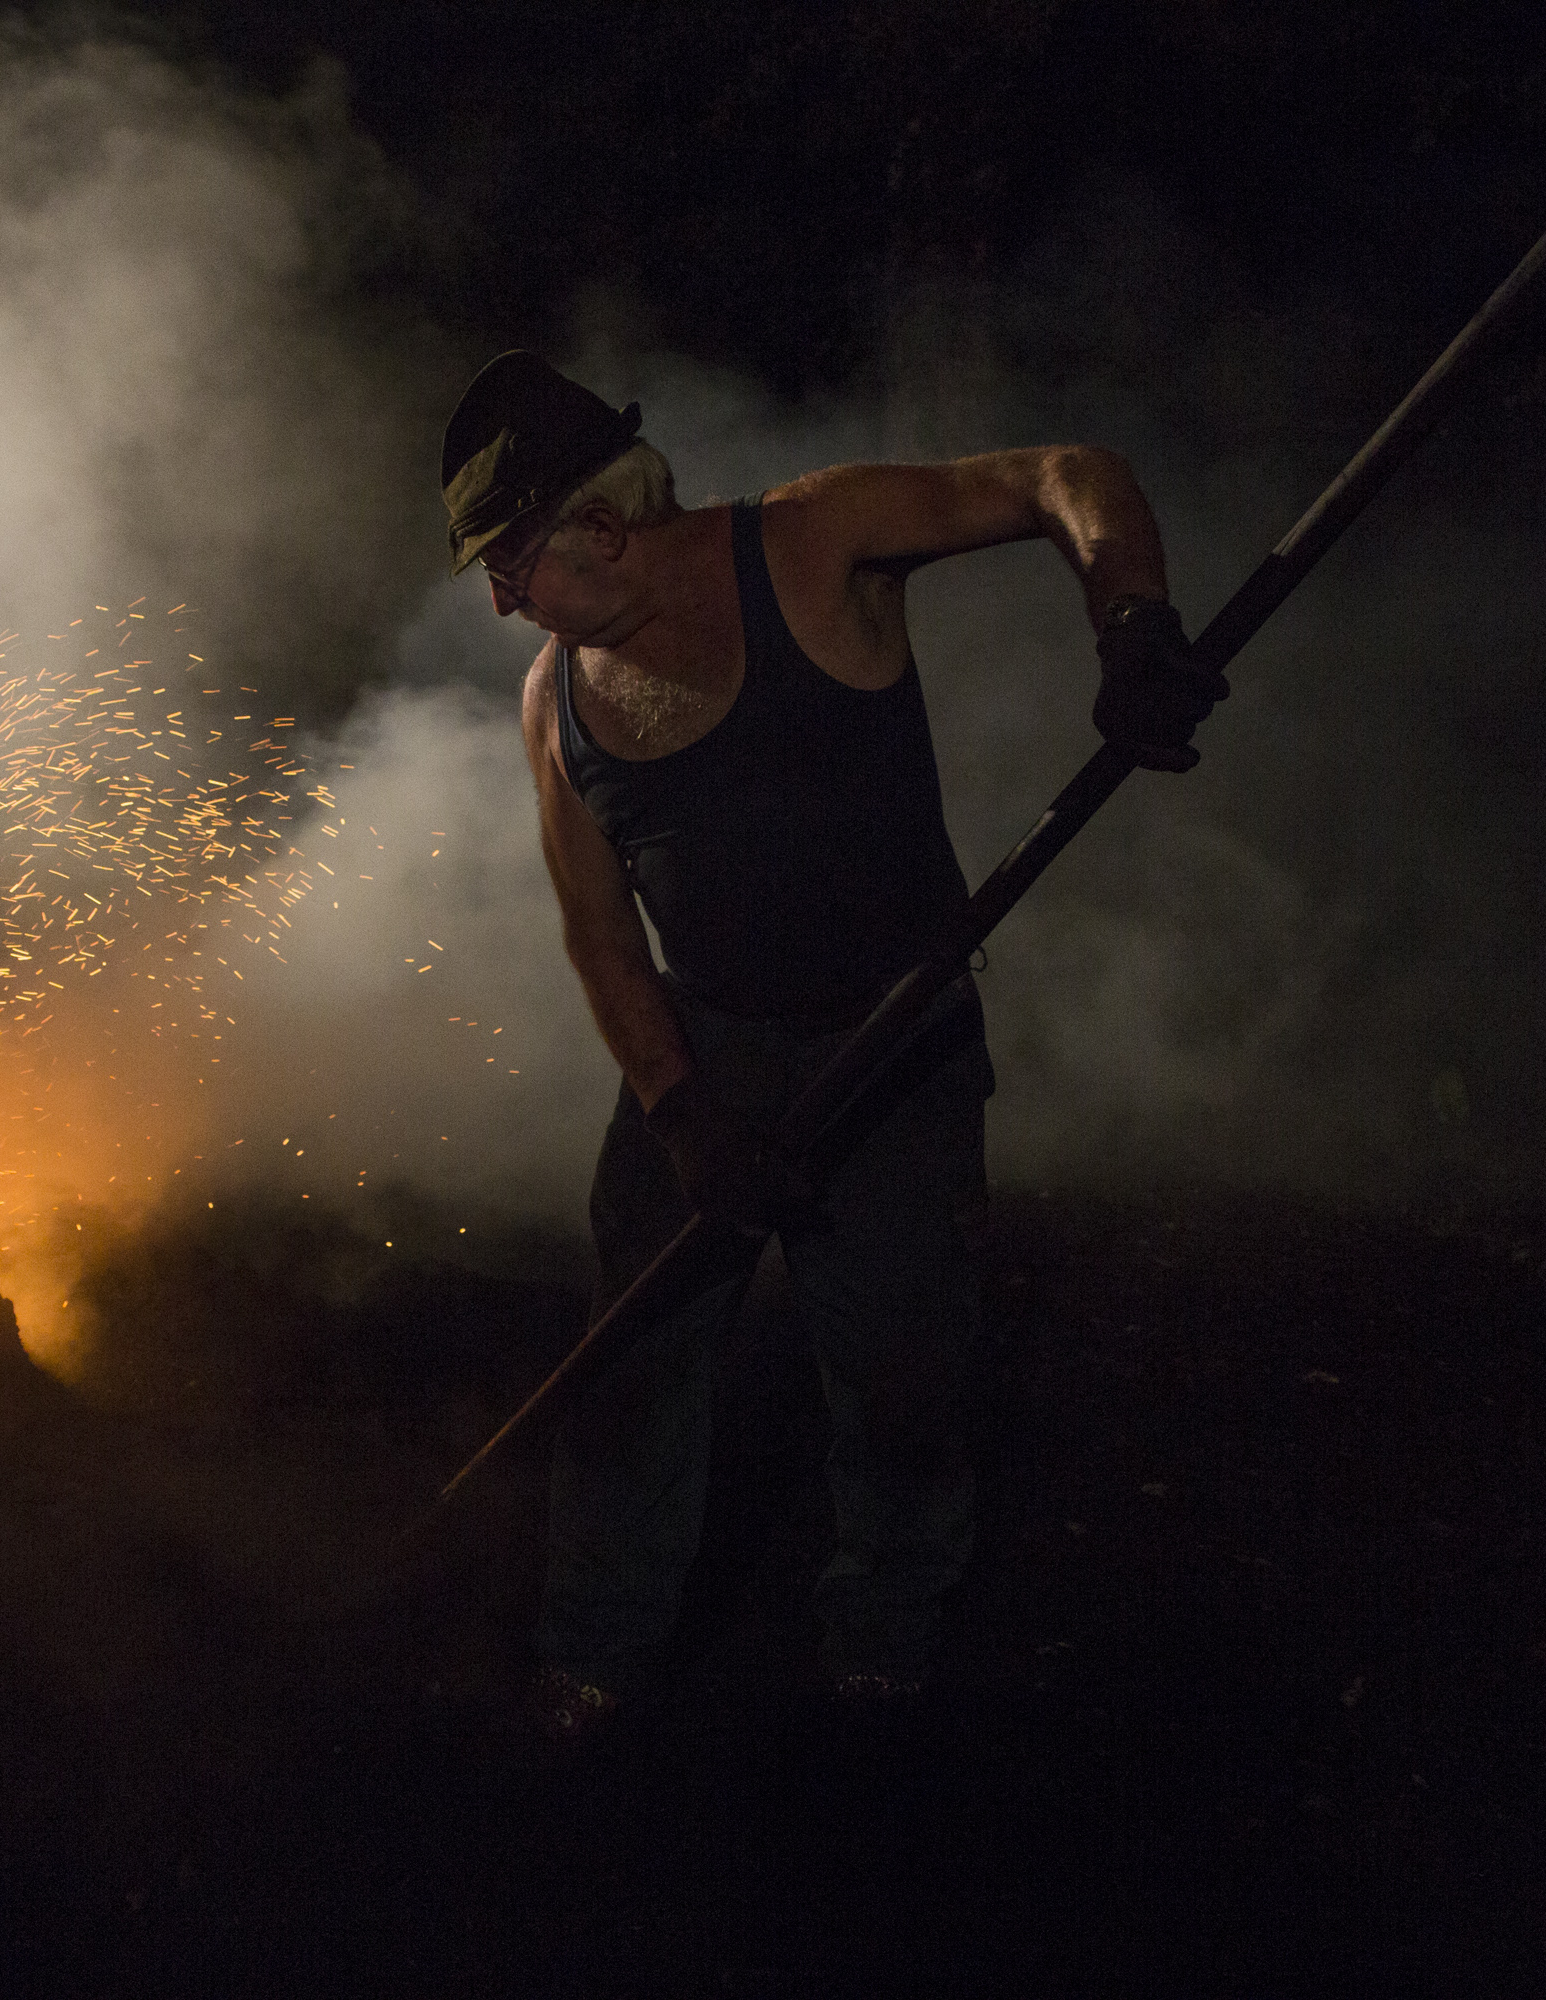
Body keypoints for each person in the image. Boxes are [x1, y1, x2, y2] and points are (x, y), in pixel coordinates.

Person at [441, 351, 1222, 1743]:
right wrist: (684, 1116)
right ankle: (598, 1647)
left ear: (599, 529)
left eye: (510, 563)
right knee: (635, 1362)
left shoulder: (810, 544)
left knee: (904, 1372)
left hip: (897, 1031)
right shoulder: (554, 704)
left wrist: (1136, 625)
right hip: (711, 1048)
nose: (502, 600)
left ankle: (885, 1636)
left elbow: (1067, 477)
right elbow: (605, 940)